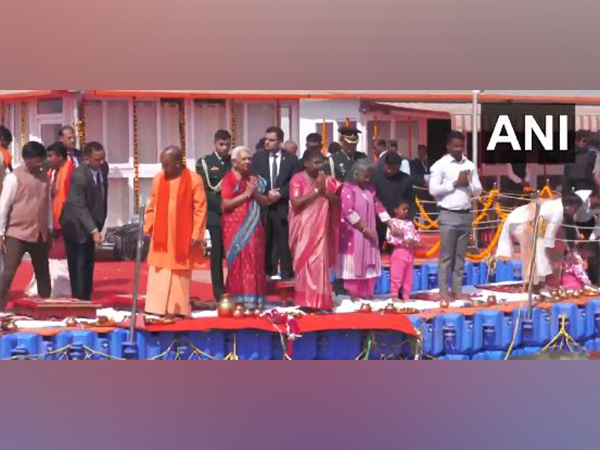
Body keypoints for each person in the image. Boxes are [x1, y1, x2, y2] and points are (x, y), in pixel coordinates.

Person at [144, 146, 207, 317]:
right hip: (161, 236)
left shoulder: (194, 180)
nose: (164, 169)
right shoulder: (159, 179)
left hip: (182, 235)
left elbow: (200, 209)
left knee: (179, 272)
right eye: (162, 165)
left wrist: (197, 234)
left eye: (167, 165)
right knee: (159, 270)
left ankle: (177, 309)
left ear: (178, 164)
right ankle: (156, 308)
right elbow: (152, 205)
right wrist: (147, 226)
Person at [429, 131, 483, 301]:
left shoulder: (470, 165)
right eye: (455, 146)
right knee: (446, 257)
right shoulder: (440, 165)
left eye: (461, 146)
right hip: (448, 214)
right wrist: (454, 184)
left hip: (465, 214)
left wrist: (470, 184)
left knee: (460, 257)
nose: (459, 149)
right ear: (448, 146)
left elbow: (478, 189)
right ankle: (443, 292)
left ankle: (457, 290)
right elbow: (433, 190)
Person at [0, 142, 51, 310]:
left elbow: (46, 205)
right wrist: (1, 233)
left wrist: (48, 229)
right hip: (17, 233)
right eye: (37, 160)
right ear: (27, 159)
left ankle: (46, 307)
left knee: (43, 273)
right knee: (8, 272)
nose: (40, 163)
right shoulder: (13, 178)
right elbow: (3, 207)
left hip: (39, 233)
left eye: (41, 160)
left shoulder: (45, 176)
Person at [289, 151, 342, 311]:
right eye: (315, 162)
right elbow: (296, 203)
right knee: (304, 263)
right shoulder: (297, 179)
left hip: (320, 228)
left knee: (319, 264)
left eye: (321, 163)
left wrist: (324, 190)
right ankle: (305, 301)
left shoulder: (326, 180)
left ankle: (320, 302)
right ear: (306, 163)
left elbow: (336, 201)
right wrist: (317, 191)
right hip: (303, 228)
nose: (319, 166)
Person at [496, 195, 583, 289]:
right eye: (575, 208)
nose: (575, 211)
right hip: (523, 221)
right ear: (569, 205)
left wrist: (570, 252)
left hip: (537, 222)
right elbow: (550, 235)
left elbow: (570, 233)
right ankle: (531, 285)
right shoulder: (559, 210)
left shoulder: (565, 213)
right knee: (535, 254)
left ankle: (540, 283)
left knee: (544, 255)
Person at [222, 146, 271, 309]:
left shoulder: (255, 178)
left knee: (254, 260)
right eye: (244, 159)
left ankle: (254, 300)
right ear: (235, 162)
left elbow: (264, 201)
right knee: (237, 263)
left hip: (254, 226)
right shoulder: (228, 179)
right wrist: (246, 194)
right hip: (234, 229)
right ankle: (237, 300)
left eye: (250, 159)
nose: (248, 162)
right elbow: (226, 204)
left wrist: (253, 191)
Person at [60, 142, 109, 301]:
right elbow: (79, 205)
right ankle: (78, 300)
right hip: (75, 225)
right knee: (78, 265)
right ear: (87, 159)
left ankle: (86, 297)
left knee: (88, 262)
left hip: (92, 222)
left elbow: (100, 195)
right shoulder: (79, 175)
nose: (101, 162)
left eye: (103, 158)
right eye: (97, 159)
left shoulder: (103, 168)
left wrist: (98, 225)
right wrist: (93, 230)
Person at [26, 142, 75, 298]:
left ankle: (61, 289)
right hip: (48, 219)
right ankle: (46, 288)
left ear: (60, 157)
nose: (48, 159)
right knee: (46, 256)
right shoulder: (51, 171)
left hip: (64, 220)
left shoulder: (70, 172)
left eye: (50, 156)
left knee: (59, 256)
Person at [337, 159, 391, 301]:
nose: (367, 179)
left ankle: (367, 292)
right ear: (356, 174)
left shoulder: (370, 189)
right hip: (354, 234)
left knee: (370, 262)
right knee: (355, 263)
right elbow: (348, 212)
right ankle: (354, 294)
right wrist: (365, 229)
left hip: (369, 234)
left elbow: (377, 206)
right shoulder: (347, 189)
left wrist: (389, 222)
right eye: (365, 176)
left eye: (369, 176)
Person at [251, 126, 299, 279]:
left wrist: (280, 193)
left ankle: (286, 275)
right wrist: (266, 193)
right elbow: (253, 180)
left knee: (284, 243)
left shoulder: (291, 159)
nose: (267, 143)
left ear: (279, 141)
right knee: (266, 242)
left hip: (282, 206)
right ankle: (267, 274)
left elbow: (294, 181)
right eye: (266, 139)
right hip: (263, 207)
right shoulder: (258, 158)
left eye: (271, 140)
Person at [196, 130, 232, 301]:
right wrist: (221, 206)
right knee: (216, 254)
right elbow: (204, 190)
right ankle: (219, 292)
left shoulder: (234, 162)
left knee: (233, 253)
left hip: (233, 214)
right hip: (215, 214)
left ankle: (234, 287)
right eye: (221, 144)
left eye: (227, 145)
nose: (225, 148)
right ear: (215, 144)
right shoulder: (205, 163)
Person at [371, 152, 415, 248]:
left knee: (397, 251)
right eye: (388, 167)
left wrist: (408, 220)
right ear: (385, 164)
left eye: (393, 168)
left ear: (399, 167)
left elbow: (410, 201)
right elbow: (372, 197)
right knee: (375, 250)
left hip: (398, 223)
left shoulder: (405, 179)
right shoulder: (375, 176)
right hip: (378, 221)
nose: (390, 171)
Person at [387, 200, 421, 300]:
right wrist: (404, 241)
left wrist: (414, 242)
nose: (406, 211)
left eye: (407, 209)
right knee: (397, 274)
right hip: (399, 251)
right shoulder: (393, 223)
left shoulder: (410, 223)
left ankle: (406, 295)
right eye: (403, 209)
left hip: (410, 253)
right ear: (396, 210)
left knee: (408, 276)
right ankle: (394, 294)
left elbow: (417, 237)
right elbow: (389, 238)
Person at [563, 130, 596, 194]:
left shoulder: (593, 154)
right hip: (573, 188)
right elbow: (566, 176)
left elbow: (596, 173)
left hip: (589, 188)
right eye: (579, 140)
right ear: (575, 142)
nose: (581, 143)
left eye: (584, 141)